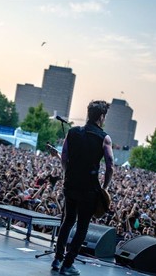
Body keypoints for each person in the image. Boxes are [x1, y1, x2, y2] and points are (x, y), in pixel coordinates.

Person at [50, 100, 114, 275]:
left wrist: (66, 174)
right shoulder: (104, 138)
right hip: (89, 189)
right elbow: (110, 166)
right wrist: (105, 188)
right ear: (101, 117)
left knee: (67, 221)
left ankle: (57, 259)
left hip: (70, 184)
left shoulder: (72, 132)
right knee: (82, 227)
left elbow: (64, 157)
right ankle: (68, 264)